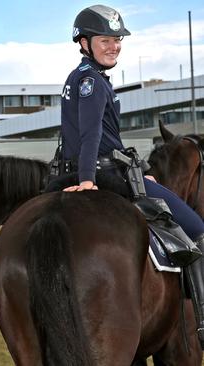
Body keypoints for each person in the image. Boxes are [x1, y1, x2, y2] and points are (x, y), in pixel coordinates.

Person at [61, 4, 204, 346]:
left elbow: (104, 136)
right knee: (199, 229)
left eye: (118, 40)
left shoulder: (78, 77)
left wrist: (139, 172)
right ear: (84, 42)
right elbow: (91, 134)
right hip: (103, 173)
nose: (114, 46)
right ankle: (202, 321)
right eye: (105, 40)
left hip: (90, 169)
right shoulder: (92, 83)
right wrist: (87, 179)